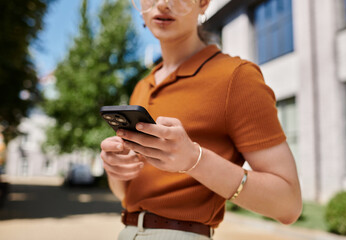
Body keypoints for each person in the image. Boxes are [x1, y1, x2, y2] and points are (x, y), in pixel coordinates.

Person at [100, 0, 302, 239]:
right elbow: (125, 195)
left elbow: (288, 204)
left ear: (203, 3)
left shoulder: (237, 78)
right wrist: (116, 169)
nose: (163, 4)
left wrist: (194, 160)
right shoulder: (142, 87)